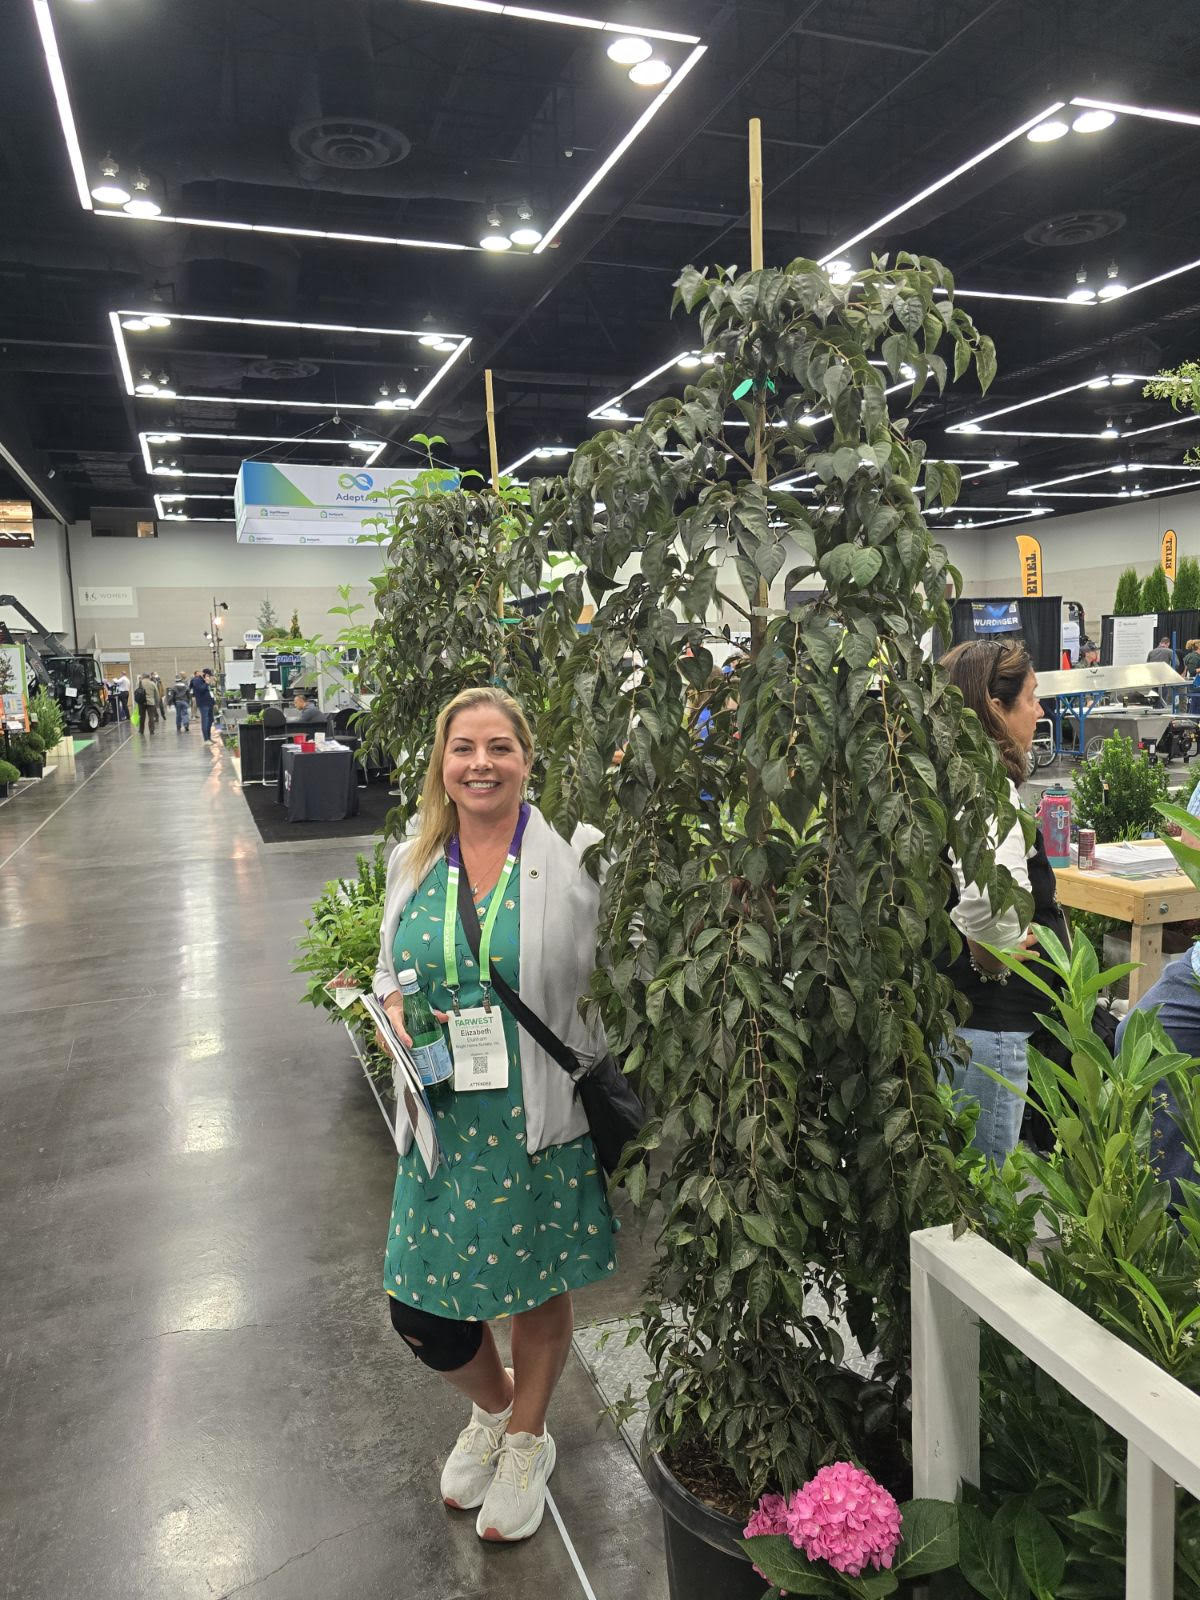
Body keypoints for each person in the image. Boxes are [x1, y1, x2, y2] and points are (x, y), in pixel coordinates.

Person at [372, 686, 616, 1543]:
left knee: (532, 1285)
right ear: (443, 761)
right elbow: (389, 967)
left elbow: (616, 980)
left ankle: (526, 1439)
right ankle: (497, 1408)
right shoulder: (414, 858)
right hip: (443, 1116)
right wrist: (396, 1009)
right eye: (465, 747)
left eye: (500, 747)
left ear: (526, 758)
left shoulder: (575, 858)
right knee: (422, 1309)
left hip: (531, 1116)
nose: (482, 763)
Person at [938, 639, 1070, 1166]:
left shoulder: (953, 776)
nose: (1041, 712)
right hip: (989, 1028)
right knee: (981, 1204)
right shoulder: (987, 787)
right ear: (996, 706)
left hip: (970, 1027)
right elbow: (988, 901)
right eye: (1033, 698)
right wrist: (993, 957)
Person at [190, 667, 215, 741]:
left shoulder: (205, 681)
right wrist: (206, 683)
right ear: (205, 674)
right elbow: (200, 689)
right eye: (209, 676)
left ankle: (209, 738)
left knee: (210, 720)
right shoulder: (196, 680)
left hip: (209, 703)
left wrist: (214, 702)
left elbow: (210, 692)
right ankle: (206, 739)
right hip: (203, 704)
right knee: (205, 720)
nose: (209, 677)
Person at [134, 671, 163, 736]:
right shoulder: (152, 683)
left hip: (141, 703)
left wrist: (137, 701)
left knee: (142, 717)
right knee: (151, 717)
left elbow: (135, 692)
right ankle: (151, 731)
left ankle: (141, 731)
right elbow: (156, 693)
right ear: (149, 676)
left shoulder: (139, 683)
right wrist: (157, 702)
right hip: (151, 702)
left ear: (143, 676)